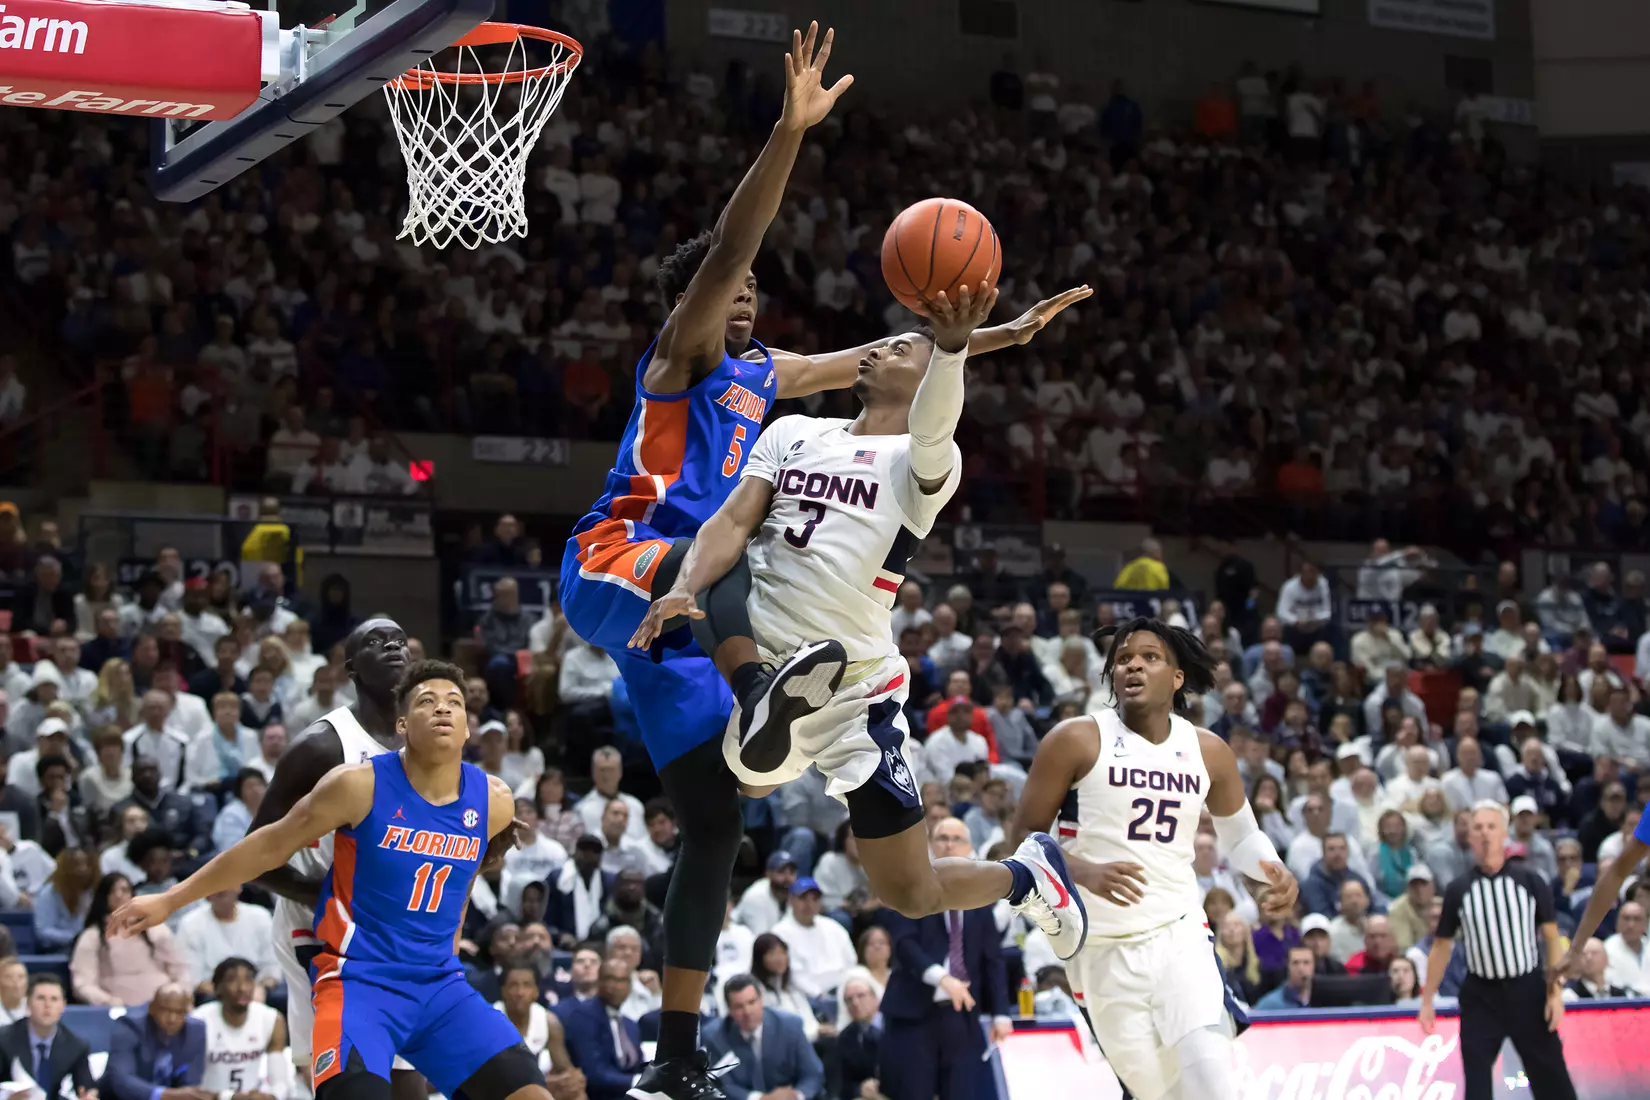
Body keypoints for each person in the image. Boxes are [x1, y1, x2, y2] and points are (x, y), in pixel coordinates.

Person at [562, 28, 1089, 1100]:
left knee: (716, 825)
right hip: (625, 560)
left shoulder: (769, 379)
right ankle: (762, 690)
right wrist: (789, 133)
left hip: (695, 611)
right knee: (729, 548)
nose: (744, 297)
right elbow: (728, 247)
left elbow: (888, 359)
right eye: (731, 288)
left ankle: (672, 1057)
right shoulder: (682, 355)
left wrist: (1000, 335)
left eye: (754, 288)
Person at [630, 287, 1089, 966]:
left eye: (902, 348)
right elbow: (731, 521)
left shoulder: (923, 462)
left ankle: (1028, 876)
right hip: (762, 645)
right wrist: (685, 587)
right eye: (884, 341)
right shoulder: (793, 432)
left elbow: (936, 424)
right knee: (696, 565)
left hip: (854, 685)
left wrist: (955, 349)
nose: (878, 350)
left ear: (929, 378)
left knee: (909, 892)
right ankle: (761, 697)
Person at [109, 659, 550, 1100]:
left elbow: (462, 881)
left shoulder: (494, 802)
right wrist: (170, 899)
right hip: (361, 985)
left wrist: (449, 946)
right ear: (401, 724)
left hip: (441, 988)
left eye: (454, 702)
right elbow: (266, 846)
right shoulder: (358, 785)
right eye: (426, 701)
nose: (442, 709)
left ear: (468, 728)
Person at [1009, 619, 1300, 1100]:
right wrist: (1082, 871)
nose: (1134, 666)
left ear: (1177, 677)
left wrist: (1271, 870)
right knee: (1159, 1093)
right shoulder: (1076, 739)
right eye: (1123, 659)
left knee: (1213, 1083)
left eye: (1150, 657)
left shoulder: (1208, 750)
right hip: (1099, 947)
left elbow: (1242, 836)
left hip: (1179, 934)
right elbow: (1022, 839)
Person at [238, 617, 435, 1098]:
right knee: (349, 1078)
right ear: (350, 669)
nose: (393, 647)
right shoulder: (323, 745)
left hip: (389, 927)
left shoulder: (426, 739)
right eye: (376, 642)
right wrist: (327, 894)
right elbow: (253, 853)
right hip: (318, 926)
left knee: (409, 1079)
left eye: (399, 640)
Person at [1420, 802, 1576, 1100]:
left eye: (1491, 826)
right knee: (1477, 1084)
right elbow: (1441, 946)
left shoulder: (1530, 881)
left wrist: (1555, 992)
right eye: (1478, 827)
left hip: (1527, 990)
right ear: (1469, 837)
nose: (1485, 833)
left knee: (1552, 1080)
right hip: (1481, 996)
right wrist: (1427, 999)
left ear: (1504, 833)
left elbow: (1551, 937)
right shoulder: (1458, 889)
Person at [877, 818, 1008, 1100]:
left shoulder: (980, 899)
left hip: (961, 1016)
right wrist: (942, 978)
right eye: (942, 838)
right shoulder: (911, 887)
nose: (949, 844)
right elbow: (904, 945)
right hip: (914, 1014)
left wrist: (1001, 1013)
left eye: (956, 839)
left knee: (962, 1092)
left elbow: (992, 959)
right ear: (931, 846)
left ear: (970, 848)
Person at [69, 872, 187, 1006]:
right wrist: (109, 1002)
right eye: (112, 891)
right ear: (103, 897)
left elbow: (180, 970)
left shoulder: (156, 929)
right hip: (117, 1008)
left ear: (132, 895)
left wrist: (177, 993)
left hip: (164, 1005)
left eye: (124, 890)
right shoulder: (92, 936)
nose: (119, 895)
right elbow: (83, 984)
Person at [702, 974, 826, 1100]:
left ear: (761, 1000)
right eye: (739, 1006)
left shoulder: (790, 1026)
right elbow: (719, 1084)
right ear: (729, 1010)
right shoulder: (714, 1037)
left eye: (751, 1002)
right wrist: (759, 1098)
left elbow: (813, 1073)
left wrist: (797, 1096)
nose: (747, 1012)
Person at [193, 956, 291, 1099]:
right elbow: (187, 1086)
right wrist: (229, 1097)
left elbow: (280, 1082)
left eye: (248, 980)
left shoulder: (271, 1019)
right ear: (217, 988)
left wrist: (273, 1097)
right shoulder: (198, 1021)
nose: (242, 988)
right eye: (232, 980)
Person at [103, 983, 209, 1100]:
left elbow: (191, 1082)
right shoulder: (129, 1025)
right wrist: (165, 1095)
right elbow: (122, 1081)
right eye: (165, 1010)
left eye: (180, 1012)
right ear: (152, 1008)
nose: (172, 1019)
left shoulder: (196, 1030)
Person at [495, 962, 585, 1098]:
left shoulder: (549, 1022)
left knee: (575, 1090)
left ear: (536, 991)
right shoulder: (489, 1022)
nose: (520, 992)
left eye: (527, 985)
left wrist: (573, 1081)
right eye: (513, 985)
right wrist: (545, 1085)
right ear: (503, 991)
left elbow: (565, 1070)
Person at [0, 972, 96, 1098]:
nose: (47, 1005)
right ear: (28, 1003)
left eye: (54, 999)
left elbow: (86, 1087)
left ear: (63, 1006)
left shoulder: (76, 1045)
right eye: (41, 998)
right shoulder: (4, 1039)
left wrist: (89, 1095)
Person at [561, 958, 646, 1100]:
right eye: (610, 979)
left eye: (622, 980)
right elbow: (593, 1074)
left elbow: (639, 1067)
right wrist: (637, 1081)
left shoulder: (630, 1025)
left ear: (630, 986)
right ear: (599, 981)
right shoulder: (582, 1016)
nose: (616, 986)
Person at [1561, 938, 1631, 1001]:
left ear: (1606, 958)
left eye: (1594, 953)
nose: (1589, 958)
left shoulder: (1621, 995)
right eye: (1583, 954)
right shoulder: (1571, 995)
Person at [1254, 946, 1316, 1010]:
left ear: (1314, 966)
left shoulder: (1321, 999)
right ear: (1288, 967)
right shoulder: (1270, 1005)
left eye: (1306, 962)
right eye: (1295, 963)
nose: (1301, 968)